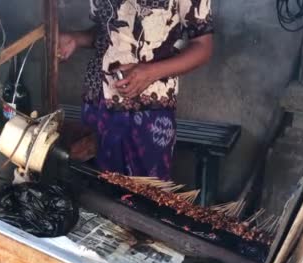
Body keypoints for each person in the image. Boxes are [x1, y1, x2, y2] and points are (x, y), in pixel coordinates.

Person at [59, 0, 213, 180]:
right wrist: (76, 39)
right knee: (93, 190)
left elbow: (203, 45)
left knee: (146, 197)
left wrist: (151, 72)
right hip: (97, 103)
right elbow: (107, 31)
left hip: (149, 111)